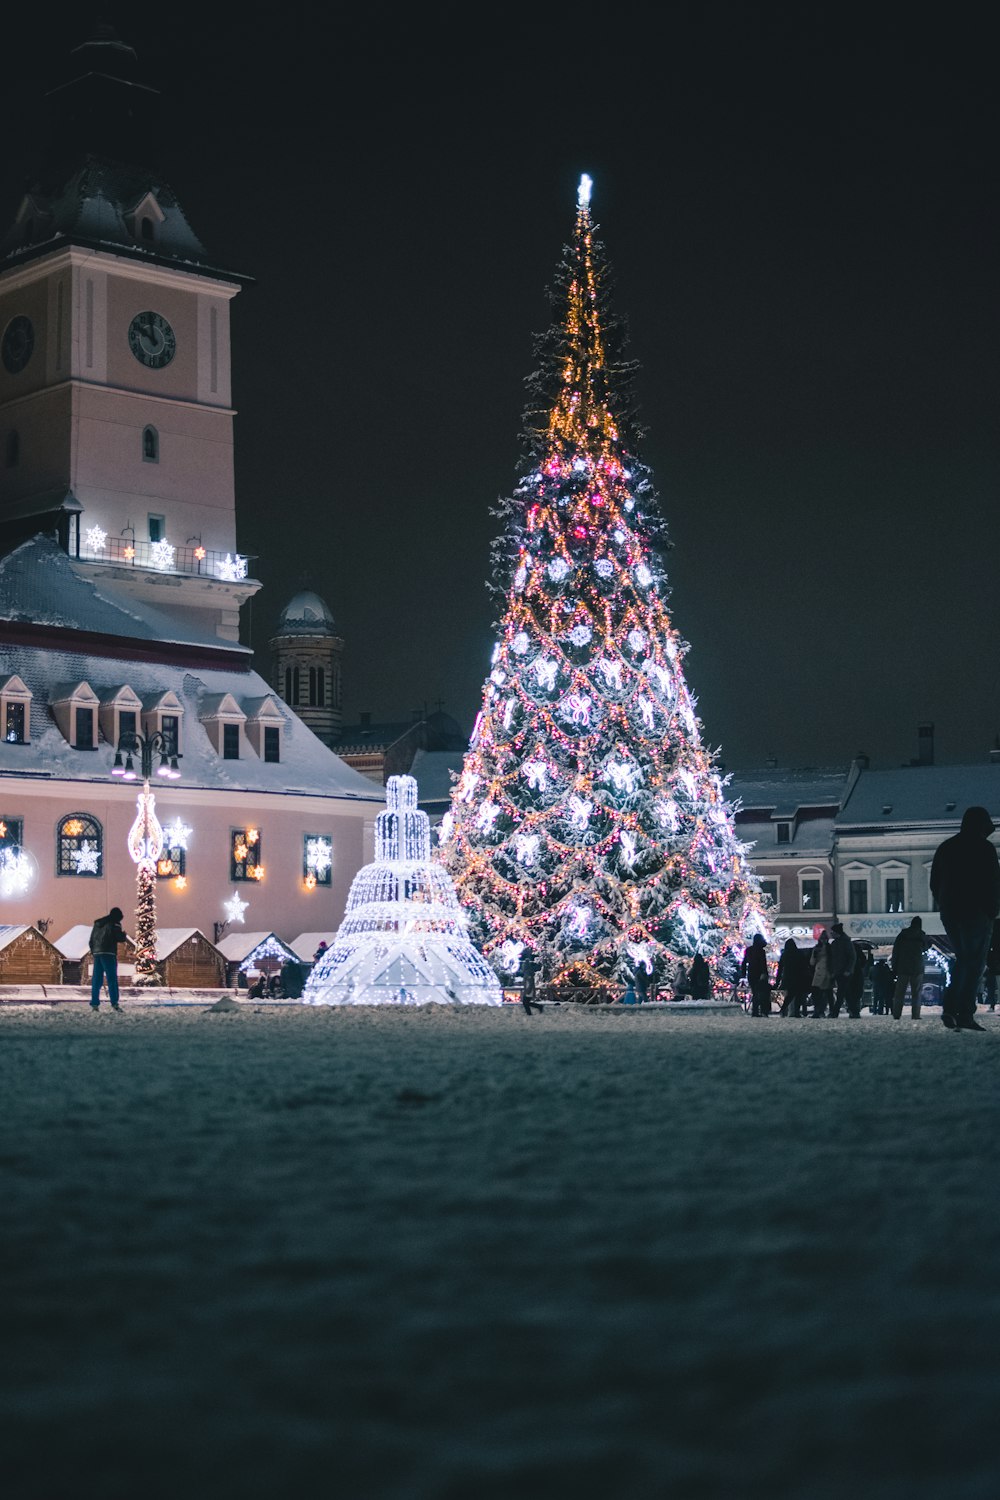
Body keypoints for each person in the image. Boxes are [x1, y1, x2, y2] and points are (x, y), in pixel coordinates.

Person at [930, 805, 1000, 1030]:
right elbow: (993, 882)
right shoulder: (984, 848)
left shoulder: (946, 847)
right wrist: (992, 910)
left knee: (963, 960)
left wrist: (944, 903)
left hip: (951, 911)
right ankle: (963, 1013)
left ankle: (951, 1009)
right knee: (975, 962)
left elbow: (934, 882)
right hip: (976, 911)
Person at [88, 906, 129, 1012]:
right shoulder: (115, 923)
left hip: (97, 954)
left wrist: (94, 952)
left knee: (96, 980)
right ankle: (114, 1003)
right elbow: (119, 937)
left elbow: (91, 940)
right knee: (112, 979)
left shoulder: (97, 925)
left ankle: (94, 1004)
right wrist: (124, 935)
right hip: (109, 953)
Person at [890, 916, 931, 1020]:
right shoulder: (921, 935)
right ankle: (915, 1015)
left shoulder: (902, 935)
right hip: (917, 968)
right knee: (916, 993)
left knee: (899, 993)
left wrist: (894, 966)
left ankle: (896, 1013)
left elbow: (895, 952)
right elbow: (926, 947)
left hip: (903, 967)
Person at [775, 938, 810, 1017]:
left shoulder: (785, 954)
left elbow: (780, 969)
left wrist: (778, 981)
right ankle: (796, 1012)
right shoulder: (799, 953)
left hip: (788, 978)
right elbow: (804, 965)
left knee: (790, 995)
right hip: (798, 977)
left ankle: (783, 1009)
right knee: (798, 995)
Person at [739, 932, 771, 1016]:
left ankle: (755, 1011)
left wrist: (743, 973)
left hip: (751, 974)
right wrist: (764, 973)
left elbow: (744, 962)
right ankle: (762, 1011)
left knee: (755, 993)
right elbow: (763, 963)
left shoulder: (749, 950)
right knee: (762, 993)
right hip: (760, 974)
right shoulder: (761, 951)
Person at [828, 922, 856, 1017]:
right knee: (846, 993)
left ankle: (835, 1013)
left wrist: (848, 969)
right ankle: (854, 1011)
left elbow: (852, 957)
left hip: (844, 972)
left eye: (832, 932)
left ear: (837, 932)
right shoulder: (838, 943)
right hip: (840, 972)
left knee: (841, 993)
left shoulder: (845, 943)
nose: (831, 934)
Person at [809, 929, 834, 1017]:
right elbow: (812, 962)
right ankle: (818, 1011)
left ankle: (825, 1011)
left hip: (827, 972)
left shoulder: (830, 948)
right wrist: (815, 955)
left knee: (827, 993)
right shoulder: (817, 949)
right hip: (820, 972)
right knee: (818, 993)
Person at [519, 947, 542, 1015]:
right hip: (528, 990)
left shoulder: (528, 973)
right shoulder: (527, 973)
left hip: (529, 991)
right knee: (526, 1002)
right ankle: (535, 1009)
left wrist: (528, 990)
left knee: (525, 1002)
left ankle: (532, 1011)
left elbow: (530, 982)